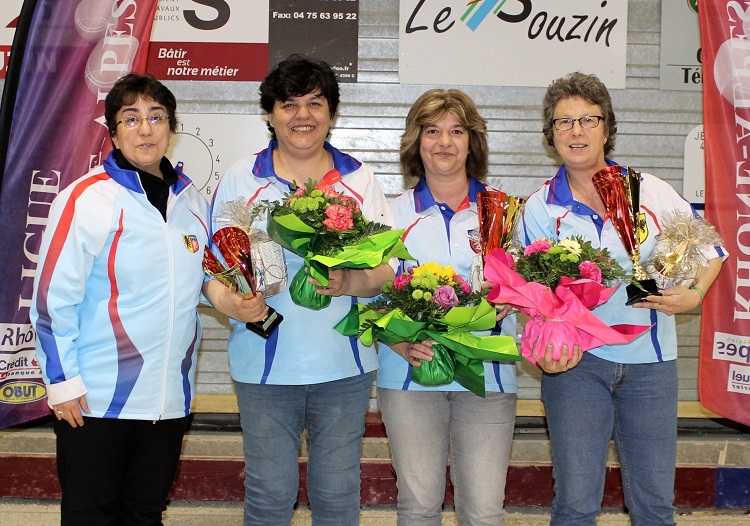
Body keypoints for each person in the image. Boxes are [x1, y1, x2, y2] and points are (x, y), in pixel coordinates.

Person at [30, 73, 265, 526]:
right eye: (131, 118)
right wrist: (61, 383)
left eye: (156, 117)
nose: (145, 128)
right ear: (113, 130)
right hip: (95, 399)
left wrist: (237, 304)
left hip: (168, 398)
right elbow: (50, 300)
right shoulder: (86, 198)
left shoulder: (190, 198)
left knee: (145, 513)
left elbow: (202, 278)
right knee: (90, 515)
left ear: (171, 128)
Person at [517, 72, 726, 525]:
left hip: (650, 363)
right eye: (563, 122)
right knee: (575, 502)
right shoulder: (537, 208)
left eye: (588, 120)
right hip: (576, 367)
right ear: (550, 136)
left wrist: (694, 294)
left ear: (607, 128)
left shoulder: (649, 190)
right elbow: (530, 297)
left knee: (654, 503)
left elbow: (711, 249)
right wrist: (541, 348)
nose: (576, 131)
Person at [209, 55, 395, 525]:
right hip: (264, 366)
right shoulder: (240, 178)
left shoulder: (359, 179)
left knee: (336, 495)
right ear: (269, 114)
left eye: (315, 103)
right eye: (288, 104)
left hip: (343, 367)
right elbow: (213, 272)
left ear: (332, 113)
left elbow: (387, 268)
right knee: (270, 496)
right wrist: (234, 303)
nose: (302, 115)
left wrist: (348, 281)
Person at [377, 89, 518, 525]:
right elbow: (372, 293)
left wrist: (510, 300)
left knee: (483, 510)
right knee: (418, 505)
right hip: (410, 374)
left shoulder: (505, 211)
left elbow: (527, 285)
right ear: (416, 142)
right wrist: (400, 341)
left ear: (472, 142)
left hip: (488, 378)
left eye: (457, 131)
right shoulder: (390, 212)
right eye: (432, 131)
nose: (444, 142)